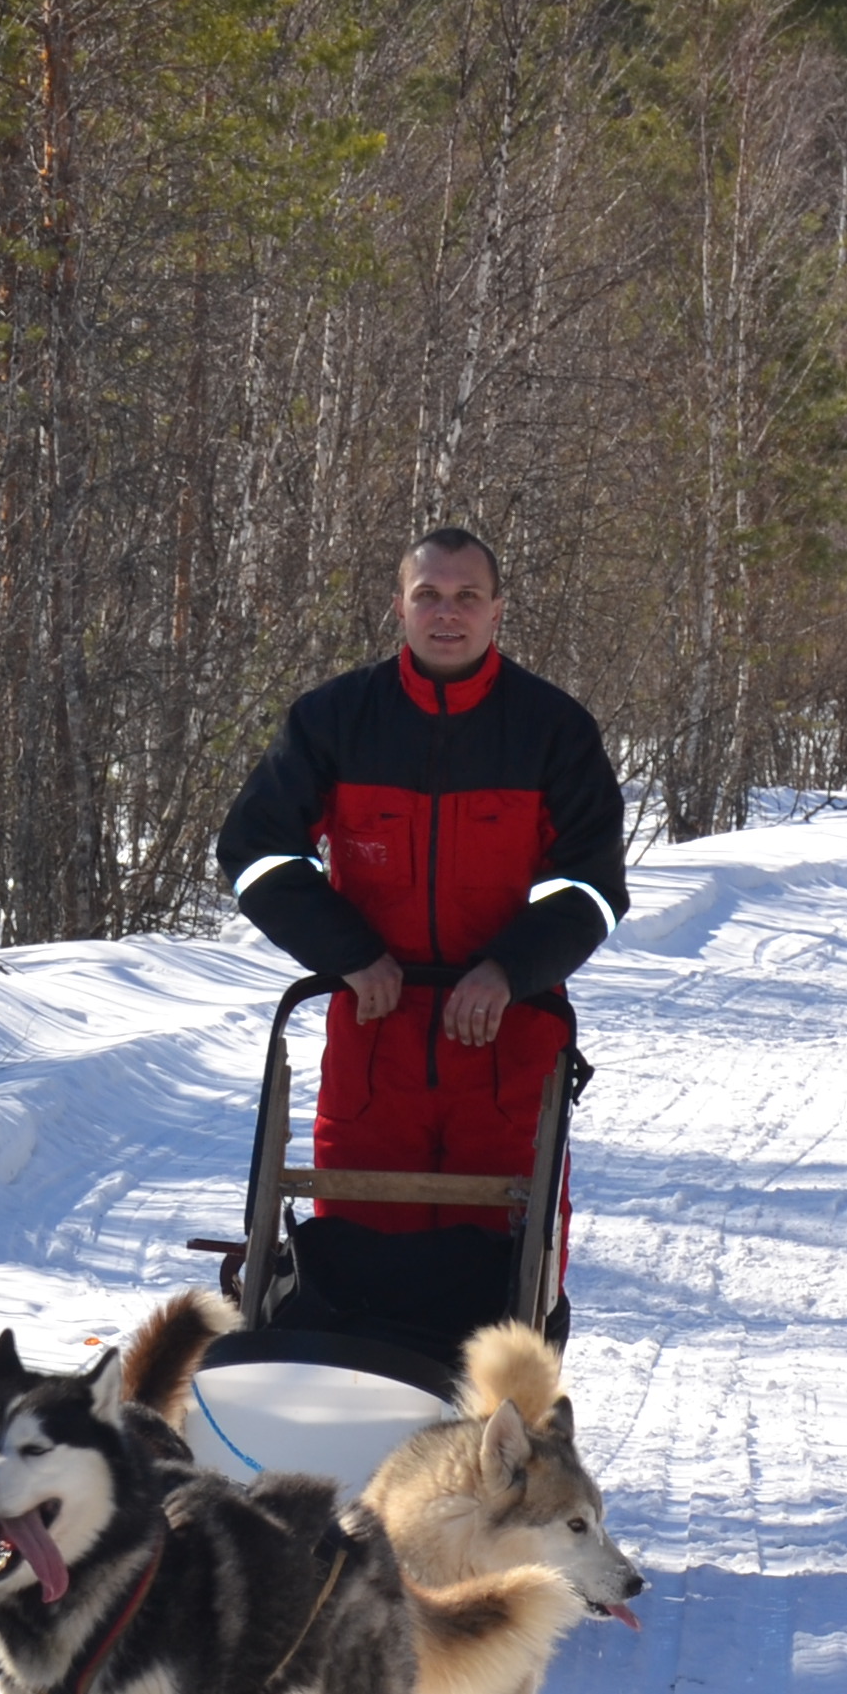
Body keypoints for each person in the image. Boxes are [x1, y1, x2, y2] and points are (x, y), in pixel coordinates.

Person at [212, 525, 627, 1352]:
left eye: (467, 596)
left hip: (509, 1040)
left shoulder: (552, 730)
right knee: (362, 1272)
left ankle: (502, 1453)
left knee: (511, 1276)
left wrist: (508, 971)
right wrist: (347, 953)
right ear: (399, 607)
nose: (448, 613)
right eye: (428, 595)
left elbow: (591, 888)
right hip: (376, 1034)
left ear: (498, 610)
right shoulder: (335, 720)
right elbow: (256, 853)